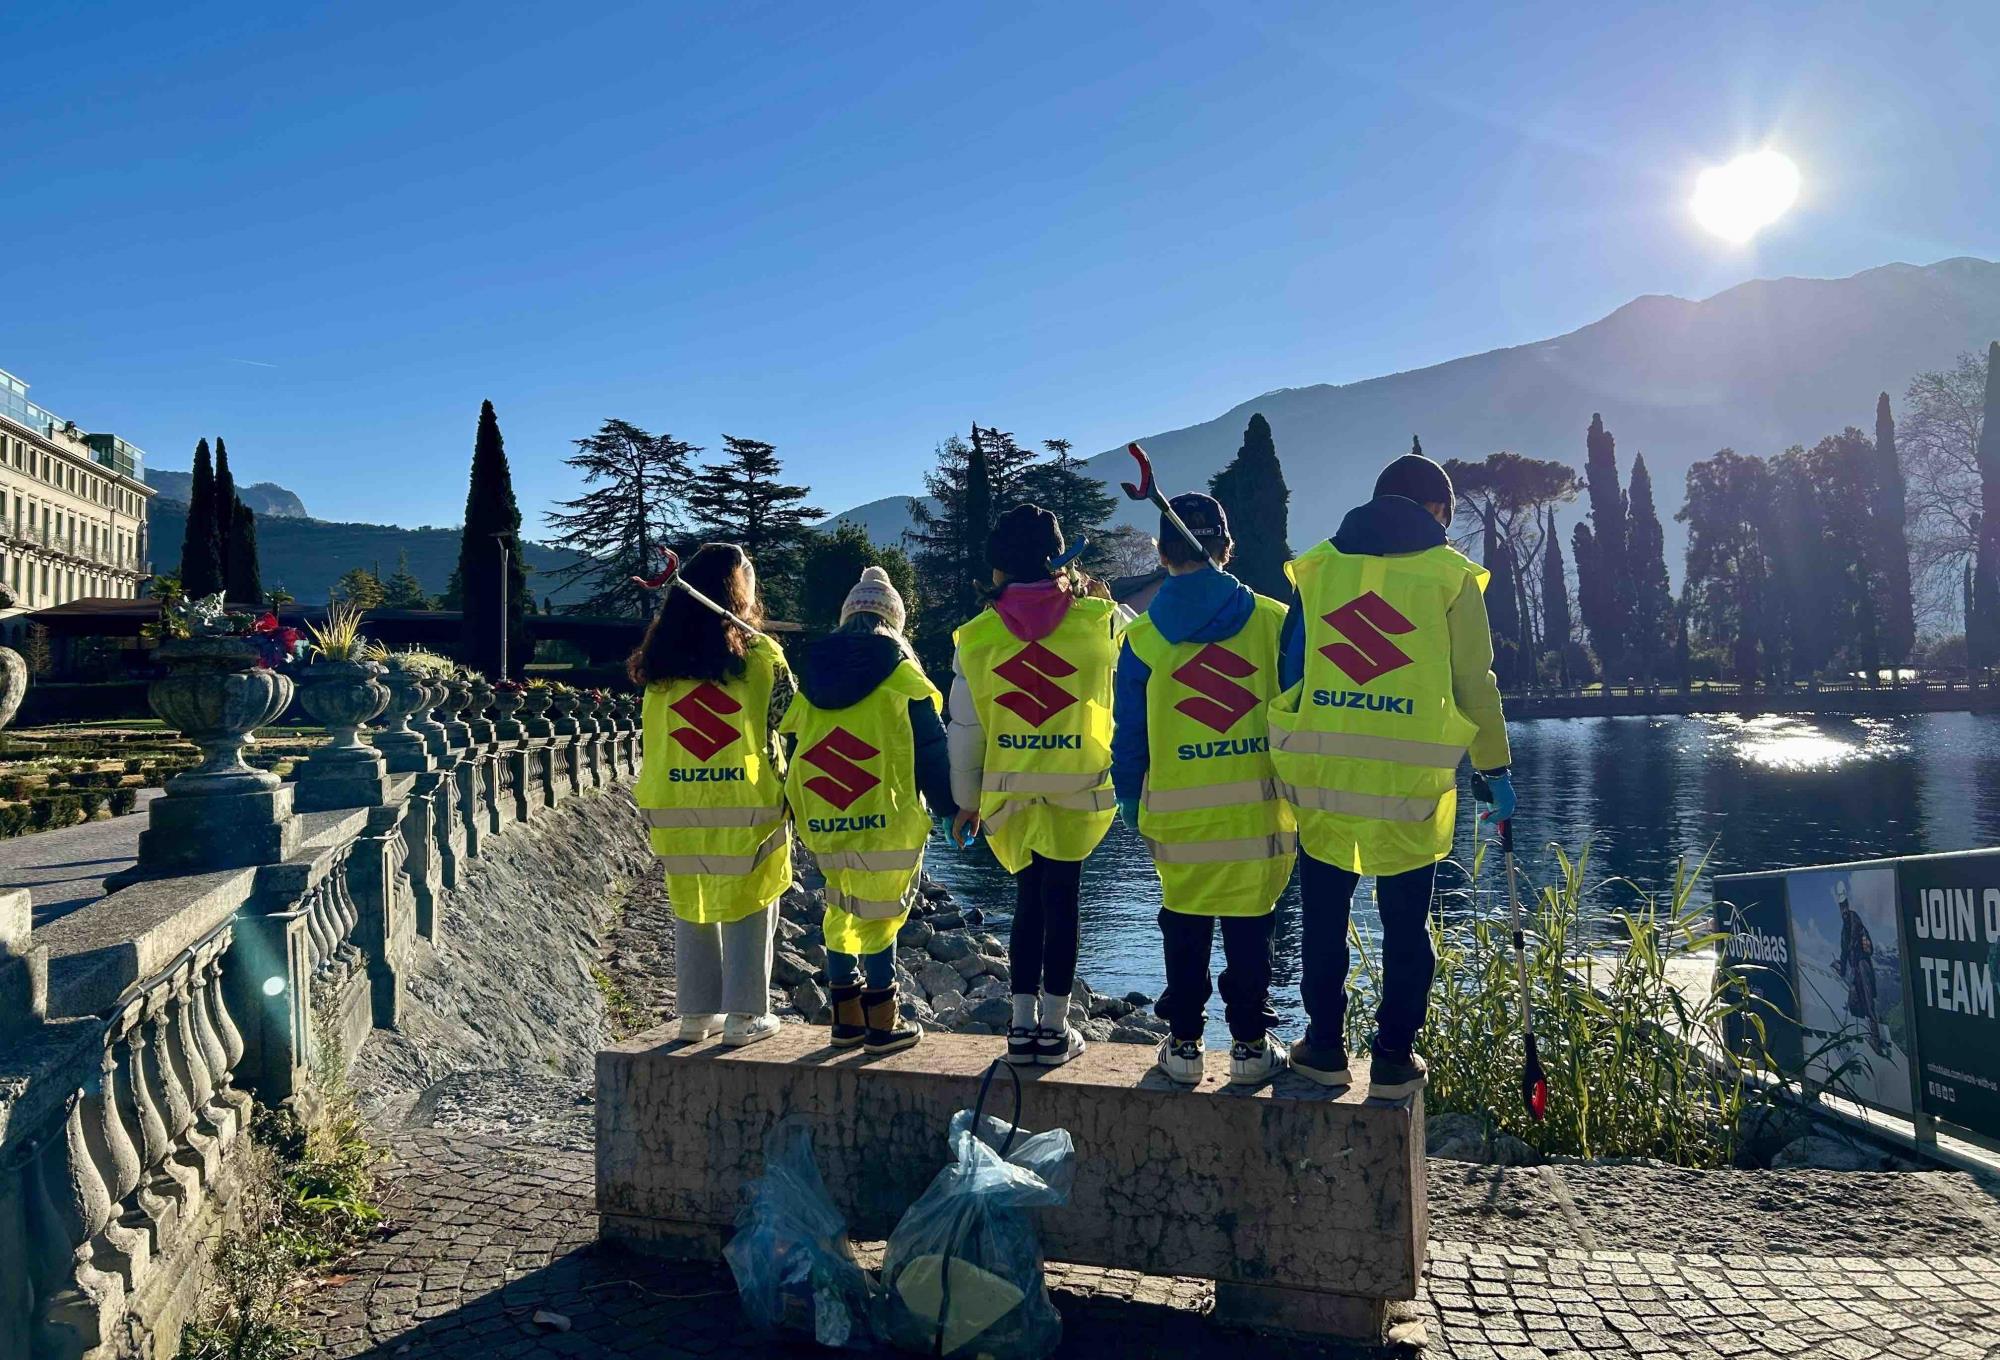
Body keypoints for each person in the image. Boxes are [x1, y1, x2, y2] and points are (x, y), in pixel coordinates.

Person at [1271, 451, 1514, 1096]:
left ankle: (1323, 1049)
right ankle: (1393, 1061)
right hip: (1410, 782)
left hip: (1323, 773)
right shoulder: (1451, 576)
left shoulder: (1318, 568)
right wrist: (1494, 766)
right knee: (1407, 922)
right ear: (1436, 509)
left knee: (1323, 916)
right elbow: (1474, 684)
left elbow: (1289, 670)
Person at [1111, 494, 1295, 1086]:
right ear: (1226, 547)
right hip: (1259, 814)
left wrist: (1131, 803)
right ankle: (1249, 1046)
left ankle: (1185, 1046)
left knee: (1183, 921)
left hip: (1176, 814)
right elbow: (1300, 713)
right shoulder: (1274, 620)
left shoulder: (1141, 640)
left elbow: (1130, 737)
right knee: (1250, 923)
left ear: (1163, 553)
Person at [949, 504, 1119, 1066]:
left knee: (1028, 901)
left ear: (997, 569)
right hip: (1077, 789)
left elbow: (966, 732)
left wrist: (966, 802)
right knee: (1062, 902)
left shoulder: (974, 637)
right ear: (1059, 560)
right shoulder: (1098, 621)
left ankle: (1020, 1030)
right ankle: (1055, 1027)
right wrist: (1098, 597)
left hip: (1009, 793)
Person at [780, 566, 957, 1055]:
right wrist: (951, 808)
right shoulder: (902, 673)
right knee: (883, 915)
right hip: (888, 815)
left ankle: (845, 1021)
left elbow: (794, 745)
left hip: (825, 815)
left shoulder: (812, 675)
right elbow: (931, 749)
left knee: (840, 907)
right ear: (894, 622)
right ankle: (882, 1022)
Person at [631, 543, 793, 1048]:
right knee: (753, 899)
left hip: (675, 807)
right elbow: (792, 718)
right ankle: (746, 1017)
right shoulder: (761, 656)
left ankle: (695, 1017)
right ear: (737, 590)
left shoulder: (659, 662)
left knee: (692, 902)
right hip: (747, 804)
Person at [1834, 882, 1889, 1057]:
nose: (1843, 909)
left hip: (1862, 967)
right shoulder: (1845, 928)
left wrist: (1847, 963)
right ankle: (1863, 1031)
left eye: (1844, 905)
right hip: (1855, 971)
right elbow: (1844, 952)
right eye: (1841, 906)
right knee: (1854, 1001)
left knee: (1867, 1001)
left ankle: (1876, 1038)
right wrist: (1840, 968)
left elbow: (1852, 945)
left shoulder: (1854, 920)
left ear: (1847, 904)